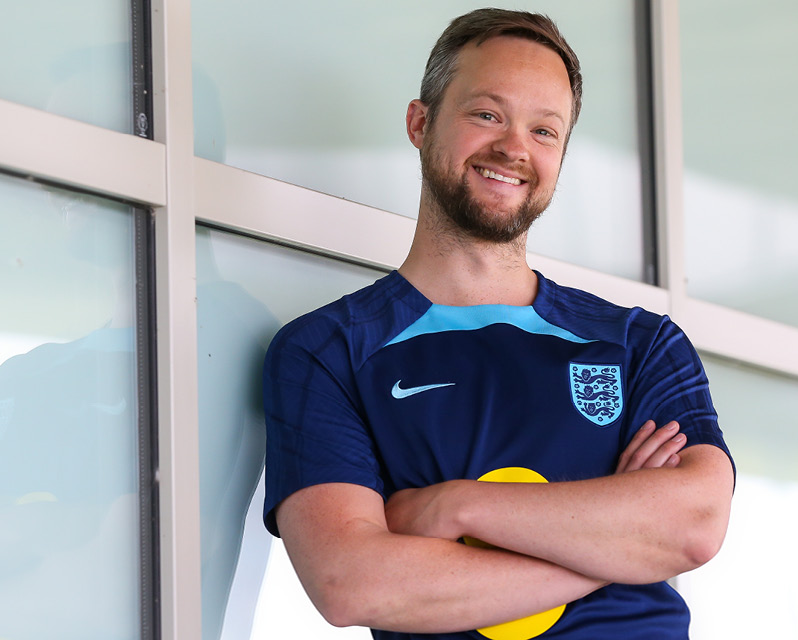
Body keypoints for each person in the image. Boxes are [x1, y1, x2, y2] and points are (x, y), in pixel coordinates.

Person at [262, 8, 734, 639]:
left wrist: (452, 505)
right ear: (421, 123)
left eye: (544, 131)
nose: (514, 148)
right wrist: (618, 548)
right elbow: (353, 585)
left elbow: (695, 525)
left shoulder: (640, 345)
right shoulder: (328, 351)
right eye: (487, 114)